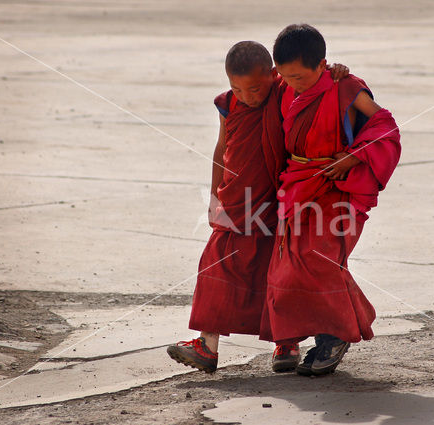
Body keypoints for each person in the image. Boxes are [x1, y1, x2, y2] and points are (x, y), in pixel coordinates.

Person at [166, 41, 349, 373]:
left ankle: (287, 344)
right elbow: (222, 148)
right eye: (237, 87)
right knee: (217, 264)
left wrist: (334, 71)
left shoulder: (285, 91)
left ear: (272, 74)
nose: (247, 95)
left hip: (279, 198)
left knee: (279, 274)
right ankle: (207, 345)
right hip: (238, 199)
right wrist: (214, 196)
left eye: (254, 88)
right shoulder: (228, 104)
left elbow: (315, 85)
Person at [259, 24, 402, 377]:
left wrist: (354, 156)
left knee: (319, 260)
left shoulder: (346, 88)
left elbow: (385, 125)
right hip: (296, 185)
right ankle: (290, 338)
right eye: (287, 77)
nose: (295, 85)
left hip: (337, 188)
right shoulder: (284, 89)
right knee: (287, 263)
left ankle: (335, 336)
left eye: (302, 77)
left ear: (323, 64)